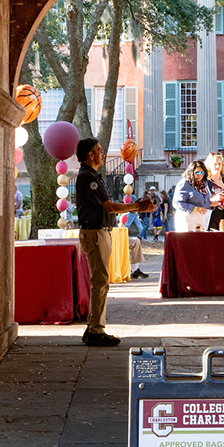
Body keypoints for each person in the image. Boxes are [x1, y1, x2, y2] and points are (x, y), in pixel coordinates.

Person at [75, 137, 154, 347]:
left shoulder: (92, 176)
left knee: (100, 281)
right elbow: (108, 206)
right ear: (90, 155)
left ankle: (93, 325)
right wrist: (136, 208)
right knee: (100, 282)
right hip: (95, 233)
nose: (103, 153)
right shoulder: (88, 177)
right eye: (99, 150)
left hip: (99, 232)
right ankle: (95, 330)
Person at [172, 160, 223, 232]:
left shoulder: (204, 184)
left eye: (202, 173)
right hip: (187, 220)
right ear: (191, 172)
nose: (200, 175)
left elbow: (202, 203)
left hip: (201, 221)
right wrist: (195, 209)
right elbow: (177, 203)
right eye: (197, 172)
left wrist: (211, 203)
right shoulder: (184, 183)